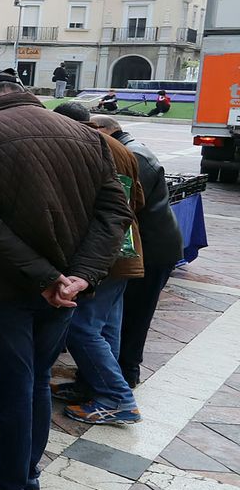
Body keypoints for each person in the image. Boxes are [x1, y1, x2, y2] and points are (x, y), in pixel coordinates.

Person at [0, 73, 132, 490]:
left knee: (15, 384)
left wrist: (51, 277)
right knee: (37, 379)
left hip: (14, 284)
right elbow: (115, 213)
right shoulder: (88, 135)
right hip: (63, 287)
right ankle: (26, 477)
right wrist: (78, 276)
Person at [50, 103, 145, 426]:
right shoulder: (118, 147)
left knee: (82, 327)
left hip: (102, 254)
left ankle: (117, 398)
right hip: (123, 251)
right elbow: (137, 201)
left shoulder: (88, 148)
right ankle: (93, 385)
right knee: (106, 327)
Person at [91, 116, 184, 388]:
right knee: (122, 316)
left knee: (134, 316)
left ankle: (124, 375)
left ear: (105, 131)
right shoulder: (132, 150)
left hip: (152, 248)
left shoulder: (130, 155)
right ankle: (116, 376)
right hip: (151, 244)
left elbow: (123, 206)